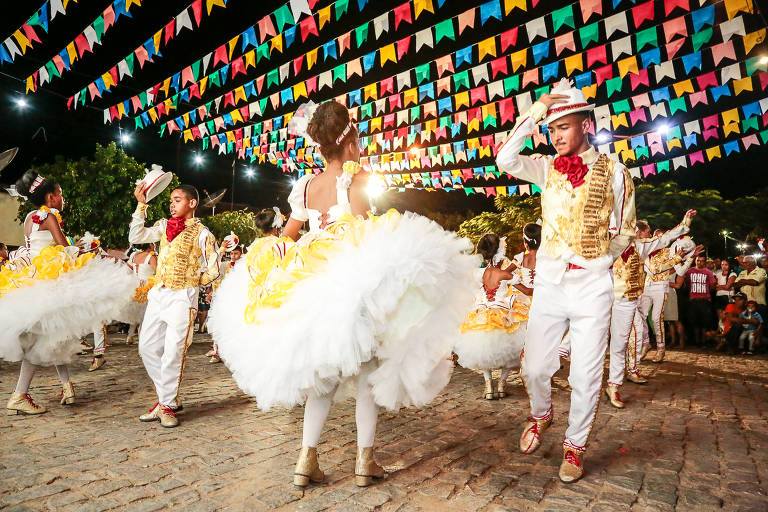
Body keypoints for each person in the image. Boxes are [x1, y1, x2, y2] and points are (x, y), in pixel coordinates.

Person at [208, 100, 477, 488]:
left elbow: (288, 235)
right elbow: (360, 229)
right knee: (367, 374)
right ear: (350, 143)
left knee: (323, 378)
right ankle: (364, 461)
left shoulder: (306, 184)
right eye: (358, 139)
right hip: (351, 281)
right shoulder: (355, 179)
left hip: (313, 281)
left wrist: (283, 258)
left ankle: (306, 459)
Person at [495, 78, 636, 483]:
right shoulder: (544, 168)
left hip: (593, 286)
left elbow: (625, 228)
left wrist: (601, 260)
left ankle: (575, 445)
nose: (556, 136)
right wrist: (534, 112)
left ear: (585, 125)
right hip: (551, 285)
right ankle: (542, 415)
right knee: (535, 368)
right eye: (551, 128)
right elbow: (505, 158)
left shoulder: (616, 171)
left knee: (585, 374)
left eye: (564, 127)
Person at [0, 171, 135, 415]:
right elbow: (64, 248)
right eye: (60, 194)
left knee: (56, 336)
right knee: (41, 340)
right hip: (49, 279)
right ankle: (20, 394)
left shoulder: (30, 217)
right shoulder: (50, 215)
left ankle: (67, 386)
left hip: (30, 279)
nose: (63, 199)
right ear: (51, 197)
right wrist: (85, 249)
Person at [129, 183, 228, 428]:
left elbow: (215, 269)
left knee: (174, 352)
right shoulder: (163, 226)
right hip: (159, 294)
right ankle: (167, 399)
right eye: (171, 201)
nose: (172, 204)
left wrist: (193, 283)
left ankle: (166, 405)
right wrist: (142, 205)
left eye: (177, 200)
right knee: (147, 347)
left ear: (192, 203)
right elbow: (136, 236)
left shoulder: (204, 233)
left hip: (183, 298)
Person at [606, 212, 695, 409]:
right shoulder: (605, 245)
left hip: (628, 301)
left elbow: (664, 239)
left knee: (626, 339)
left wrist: (684, 223)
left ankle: (614, 385)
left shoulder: (641, 247)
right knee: (588, 339)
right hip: (604, 299)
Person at [454, 226, 538, 400]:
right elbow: (528, 291)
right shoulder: (504, 273)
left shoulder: (475, 273)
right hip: (502, 314)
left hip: (480, 315)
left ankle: (488, 386)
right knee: (511, 351)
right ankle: (501, 384)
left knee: (483, 351)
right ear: (498, 250)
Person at [638, 237, 700, 362]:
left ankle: (661, 349)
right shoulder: (645, 251)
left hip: (661, 288)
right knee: (640, 317)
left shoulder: (670, 253)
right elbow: (649, 270)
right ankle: (645, 343)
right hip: (647, 287)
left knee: (656, 318)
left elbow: (681, 271)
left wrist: (690, 257)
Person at [123, 244, 158, 345]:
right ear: (149, 245)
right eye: (152, 243)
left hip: (134, 286)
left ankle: (130, 335)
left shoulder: (134, 255)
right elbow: (158, 271)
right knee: (145, 315)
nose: (154, 245)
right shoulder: (151, 256)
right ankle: (143, 343)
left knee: (136, 312)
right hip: (148, 287)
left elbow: (127, 267)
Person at [686, 255, 717, 346]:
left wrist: (706, 293)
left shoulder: (708, 272)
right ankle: (697, 341)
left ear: (705, 262)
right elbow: (687, 283)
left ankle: (703, 341)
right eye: (698, 260)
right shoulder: (690, 271)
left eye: (702, 261)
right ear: (695, 261)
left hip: (704, 300)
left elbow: (712, 286)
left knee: (704, 323)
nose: (699, 262)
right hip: (693, 299)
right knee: (694, 322)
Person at [734, 256, 767, 321]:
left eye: (744, 262)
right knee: (747, 326)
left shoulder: (761, 271)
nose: (742, 264)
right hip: (745, 305)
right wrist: (748, 281)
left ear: (751, 263)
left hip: (758, 304)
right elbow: (735, 285)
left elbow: (755, 282)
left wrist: (742, 281)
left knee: (759, 325)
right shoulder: (742, 272)